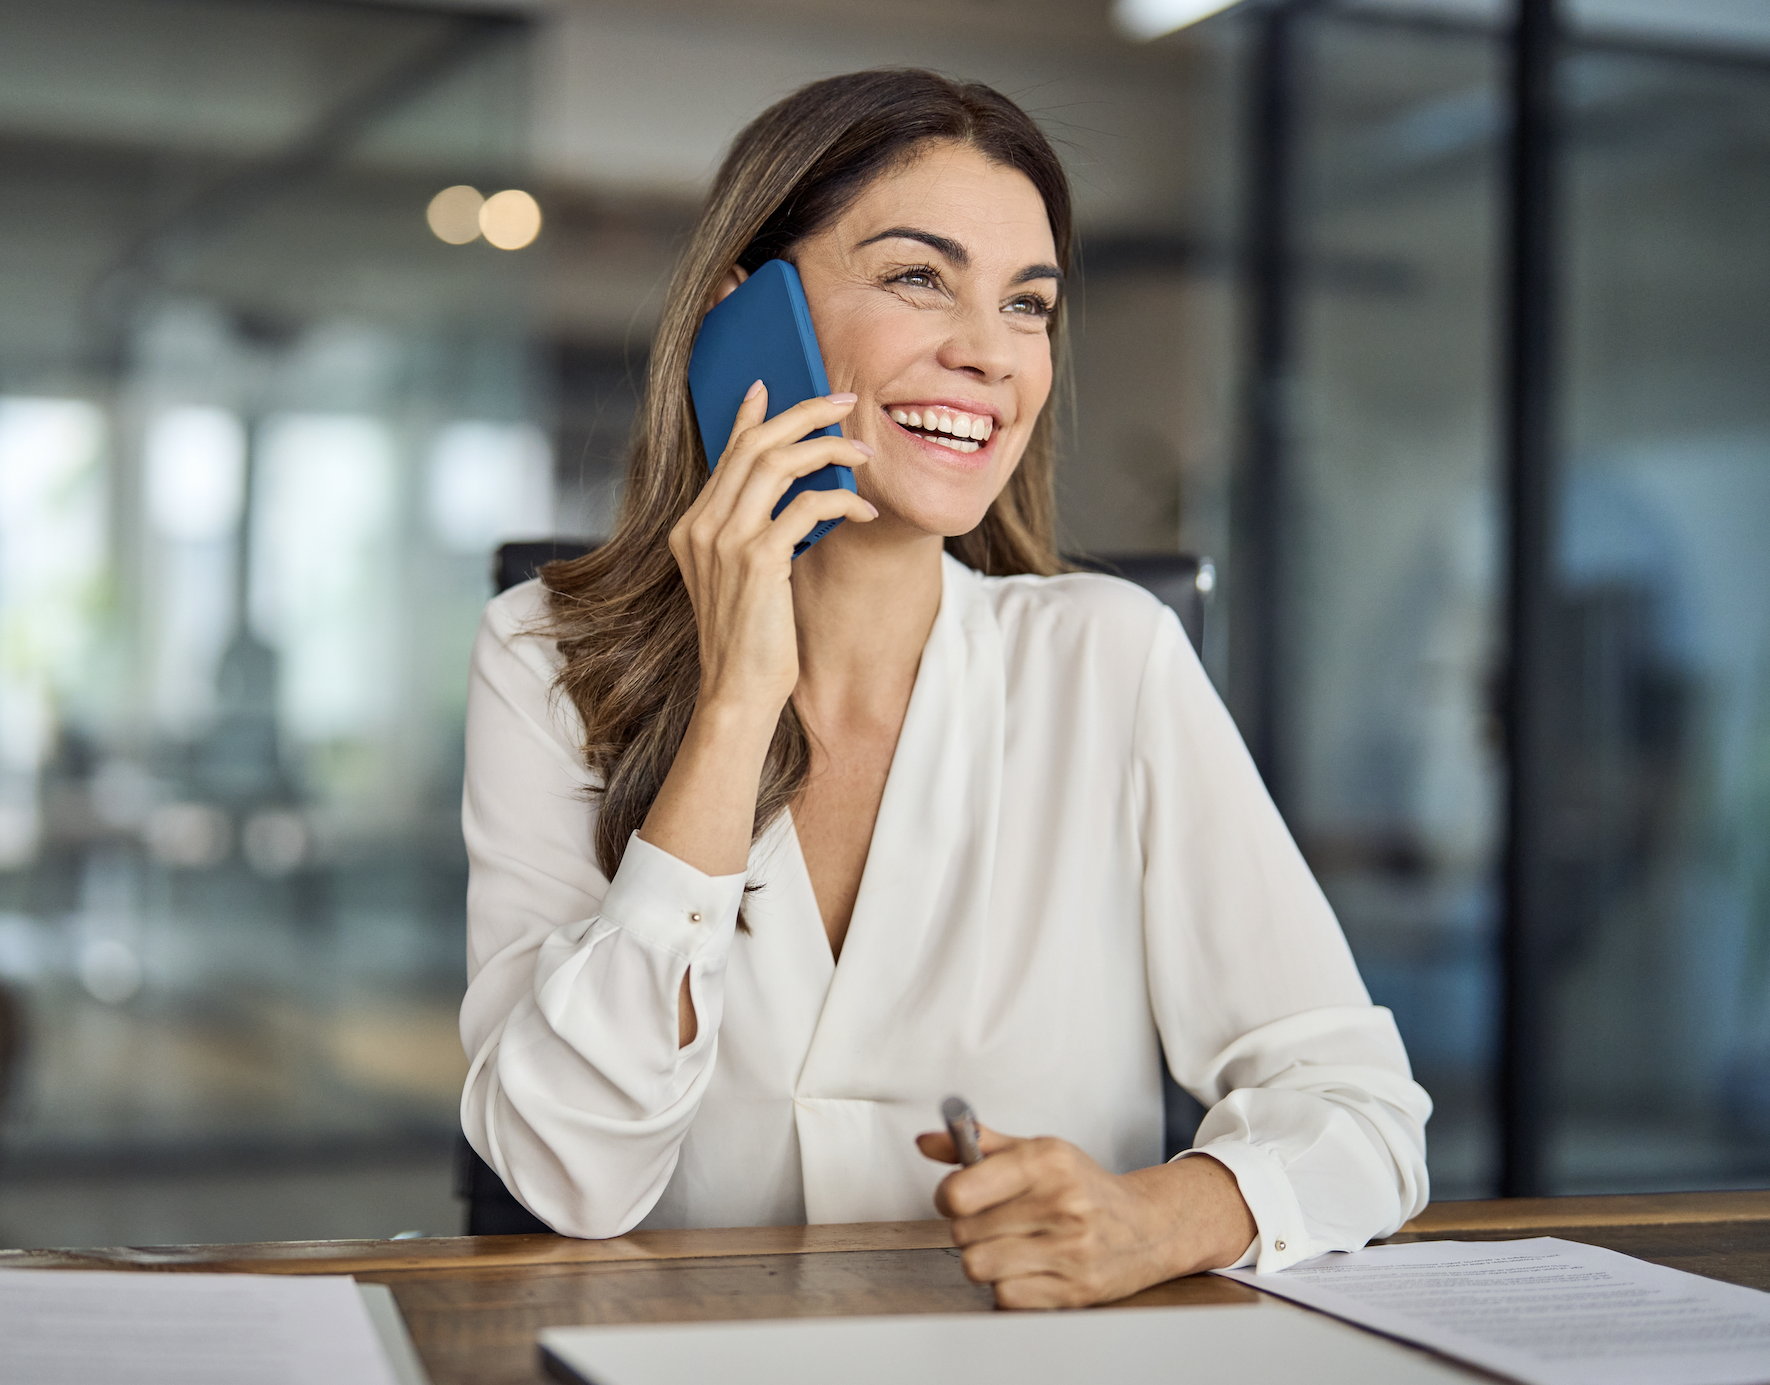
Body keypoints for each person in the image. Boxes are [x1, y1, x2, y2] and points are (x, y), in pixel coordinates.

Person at [459, 69, 1430, 1308]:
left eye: (1026, 305)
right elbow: (568, 1171)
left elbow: (1359, 1113)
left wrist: (1157, 1214)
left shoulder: (1106, 656)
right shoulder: (546, 653)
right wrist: (734, 702)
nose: (985, 353)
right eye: (919, 277)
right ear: (741, 318)